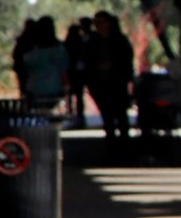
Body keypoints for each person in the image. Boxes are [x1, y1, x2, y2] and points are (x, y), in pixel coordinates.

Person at [80, 10, 135, 143]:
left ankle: (125, 143)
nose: (98, 25)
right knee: (107, 115)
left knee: (121, 114)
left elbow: (127, 59)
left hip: (117, 82)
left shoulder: (119, 40)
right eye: (96, 22)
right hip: (99, 83)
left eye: (101, 22)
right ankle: (111, 144)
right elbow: (86, 60)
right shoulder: (92, 42)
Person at [16, 17, 70, 110]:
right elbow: (63, 69)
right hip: (53, 88)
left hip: (33, 89)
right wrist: (66, 87)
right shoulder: (58, 49)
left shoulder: (32, 50)